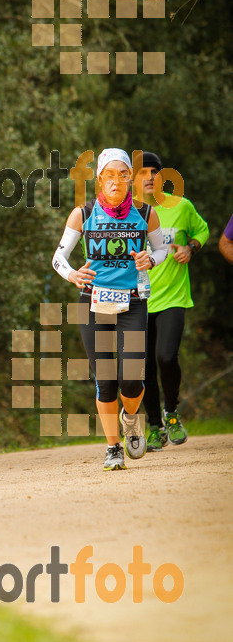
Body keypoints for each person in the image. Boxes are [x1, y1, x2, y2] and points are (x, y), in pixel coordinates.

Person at [52, 148, 167, 471]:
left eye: (123, 174)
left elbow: (162, 250)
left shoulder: (146, 215)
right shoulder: (83, 214)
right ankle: (113, 447)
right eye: (109, 175)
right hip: (93, 304)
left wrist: (151, 259)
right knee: (105, 379)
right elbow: (58, 258)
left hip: (132, 302)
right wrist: (73, 274)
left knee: (131, 379)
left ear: (130, 178)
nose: (116, 181)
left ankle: (131, 418)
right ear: (100, 179)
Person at [133, 152, 209, 452]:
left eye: (155, 171)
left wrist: (191, 248)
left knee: (166, 357)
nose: (150, 176)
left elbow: (202, 230)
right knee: (144, 366)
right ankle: (154, 426)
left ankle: (172, 412)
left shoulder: (181, 206)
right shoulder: (126, 213)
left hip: (174, 297)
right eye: (143, 172)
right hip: (139, 299)